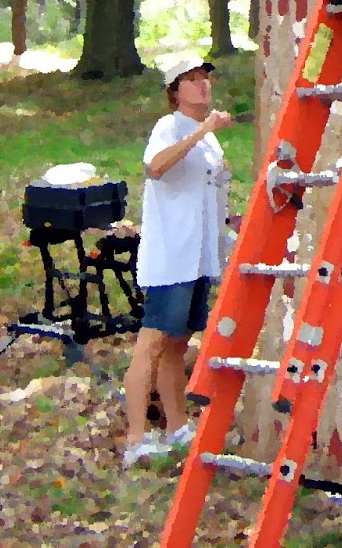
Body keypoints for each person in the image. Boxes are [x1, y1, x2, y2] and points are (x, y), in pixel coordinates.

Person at [121, 56, 233, 467]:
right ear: (175, 92)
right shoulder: (170, 127)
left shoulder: (210, 139)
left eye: (205, 78)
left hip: (200, 255)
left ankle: (176, 426)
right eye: (191, 80)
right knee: (151, 343)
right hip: (171, 255)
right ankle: (135, 438)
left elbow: (210, 190)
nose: (202, 85)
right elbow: (155, 167)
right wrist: (203, 129)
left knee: (177, 344)